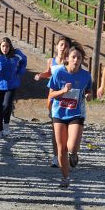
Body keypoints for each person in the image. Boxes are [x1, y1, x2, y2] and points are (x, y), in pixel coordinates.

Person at [47, 43, 92, 188]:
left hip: (76, 113)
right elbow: (51, 94)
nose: (76, 60)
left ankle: (74, 154)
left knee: (71, 146)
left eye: (79, 58)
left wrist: (89, 95)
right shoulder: (59, 73)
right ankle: (65, 177)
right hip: (59, 113)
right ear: (67, 58)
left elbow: (89, 91)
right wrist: (63, 91)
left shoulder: (85, 75)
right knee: (61, 148)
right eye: (73, 57)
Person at [34, 35, 72, 167]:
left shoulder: (70, 61)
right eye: (61, 44)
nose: (63, 47)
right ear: (57, 46)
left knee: (67, 129)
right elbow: (49, 73)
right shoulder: (51, 61)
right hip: (54, 97)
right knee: (55, 129)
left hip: (68, 98)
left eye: (66, 45)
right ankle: (56, 156)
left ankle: (66, 153)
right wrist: (40, 75)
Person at [0, 37, 27, 138]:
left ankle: (6, 125)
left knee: (7, 105)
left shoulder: (16, 54)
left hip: (12, 85)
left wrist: (20, 71)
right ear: (0, 46)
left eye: (7, 46)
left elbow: (24, 60)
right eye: (3, 46)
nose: (5, 48)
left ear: (10, 46)